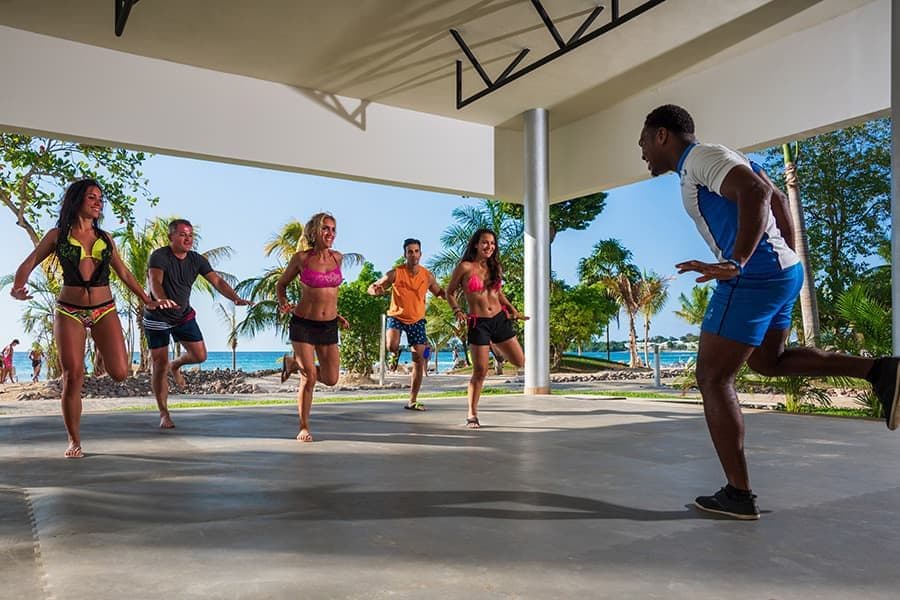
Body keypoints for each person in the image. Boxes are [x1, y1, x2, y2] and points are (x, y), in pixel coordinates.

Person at [637, 104, 900, 520]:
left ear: (663, 135)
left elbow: (758, 195)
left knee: (711, 376)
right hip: (779, 272)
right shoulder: (723, 159)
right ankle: (880, 371)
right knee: (769, 362)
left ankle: (738, 495)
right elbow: (776, 197)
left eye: (644, 142)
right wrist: (788, 256)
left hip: (753, 276)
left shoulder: (703, 158)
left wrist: (739, 260)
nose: (643, 153)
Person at [11, 178, 176, 458]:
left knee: (121, 372)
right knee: (72, 375)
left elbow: (124, 274)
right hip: (68, 310)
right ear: (77, 200)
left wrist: (148, 299)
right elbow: (29, 263)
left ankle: (100, 352)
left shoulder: (105, 239)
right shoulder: (57, 235)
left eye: (100, 198)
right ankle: (74, 440)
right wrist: (18, 286)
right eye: (92, 197)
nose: (99, 202)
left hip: (105, 309)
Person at [144, 219, 251, 429]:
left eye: (190, 235)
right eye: (183, 234)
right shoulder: (160, 256)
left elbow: (217, 281)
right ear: (171, 237)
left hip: (183, 315)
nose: (187, 239)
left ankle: (175, 365)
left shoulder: (196, 260)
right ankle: (164, 413)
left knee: (200, 355)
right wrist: (162, 299)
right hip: (157, 317)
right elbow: (154, 281)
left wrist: (235, 298)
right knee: (158, 365)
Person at [276, 212, 349, 442]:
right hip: (303, 324)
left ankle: (292, 364)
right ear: (315, 231)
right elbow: (281, 284)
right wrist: (283, 302)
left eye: (333, 229)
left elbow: (331, 294)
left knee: (331, 378)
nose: (330, 233)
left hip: (328, 325)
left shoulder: (338, 258)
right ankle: (304, 427)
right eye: (326, 228)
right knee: (309, 377)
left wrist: (337, 315)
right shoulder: (301, 259)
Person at [446, 228, 527, 428]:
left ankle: (494, 346)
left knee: (519, 361)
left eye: (492, 243)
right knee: (480, 371)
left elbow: (498, 293)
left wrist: (513, 310)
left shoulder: (494, 267)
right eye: (485, 242)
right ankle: (472, 414)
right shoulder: (465, 267)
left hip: (499, 319)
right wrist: (457, 310)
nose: (489, 247)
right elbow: (449, 292)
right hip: (478, 323)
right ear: (475, 244)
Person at [367, 238, 445, 410]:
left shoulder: (427, 276)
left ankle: (413, 400)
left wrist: (452, 295)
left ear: (421, 254)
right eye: (410, 251)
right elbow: (374, 286)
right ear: (405, 254)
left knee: (418, 358)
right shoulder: (395, 273)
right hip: (397, 316)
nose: (413, 254)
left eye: (416, 251)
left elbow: (439, 292)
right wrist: (375, 291)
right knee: (391, 346)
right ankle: (396, 352)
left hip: (417, 320)